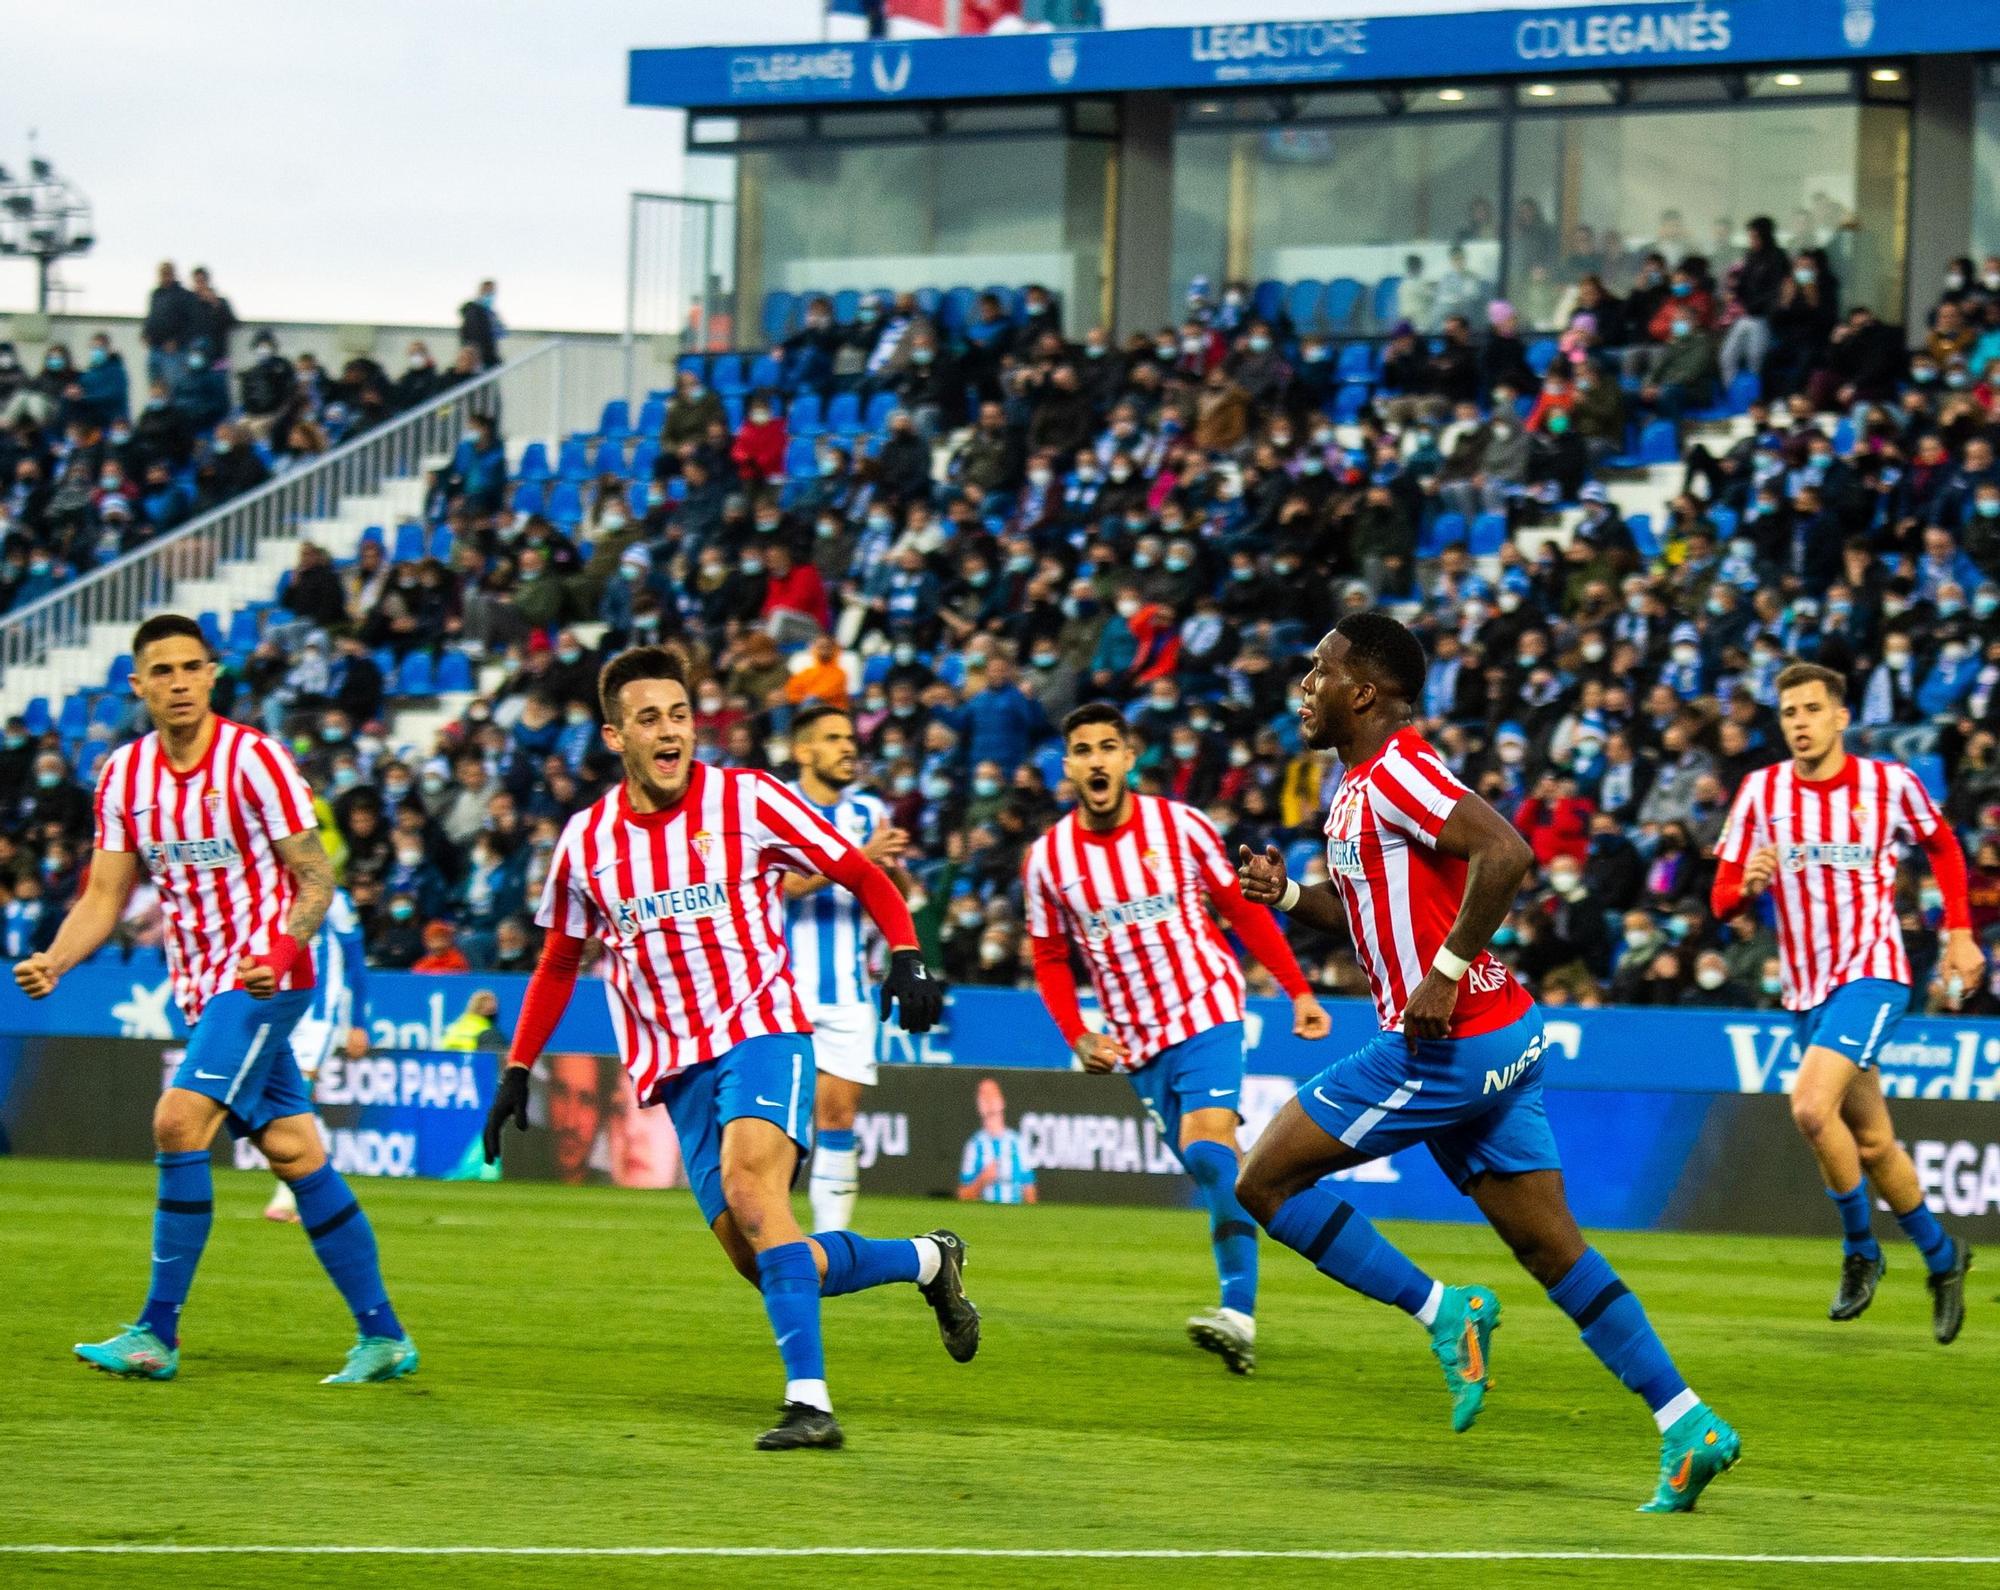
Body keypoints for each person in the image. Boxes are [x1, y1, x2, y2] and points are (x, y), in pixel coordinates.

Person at [1235, 613, 1738, 1512]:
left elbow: (1508, 851)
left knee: (1263, 1184)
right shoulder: (1353, 791)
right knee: (1553, 1251)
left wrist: (1443, 973)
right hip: (1501, 1033)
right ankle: (1687, 1422)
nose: (1304, 684)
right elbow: (1370, 920)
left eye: (1319, 669)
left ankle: (1444, 1311)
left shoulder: (1401, 770)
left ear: (1364, 691)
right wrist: (1290, 897)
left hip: (1448, 1042)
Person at [480, 645, 974, 1451]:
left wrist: (908, 951)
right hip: (676, 1069)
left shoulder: (747, 801)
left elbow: (860, 873)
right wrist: (516, 1066)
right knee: (763, 1256)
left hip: (763, 1027)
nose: (671, 731)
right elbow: (558, 960)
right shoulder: (586, 842)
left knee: (753, 1193)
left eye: (680, 714)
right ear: (616, 738)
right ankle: (927, 1259)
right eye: (649, 719)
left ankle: (809, 1404)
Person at [15, 615, 415, 1385]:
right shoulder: (124, 776)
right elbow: (104, 894)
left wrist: (281, 946)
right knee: (296, 1152)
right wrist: (57, 961)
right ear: (138, 686)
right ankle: (386, 1338)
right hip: (202, 988)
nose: (178, 683)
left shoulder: (256, 761)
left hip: (269, 976)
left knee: (176, 1118)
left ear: (213, 674)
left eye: (191, 667)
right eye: (160, 671)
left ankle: (155, 1333)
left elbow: (316, 877)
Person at [1023, 702, 1331, 1377]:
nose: (1097, 760)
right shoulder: (1048, 860)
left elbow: (1243, 912)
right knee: (1228, 1171)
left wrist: (1298, 991)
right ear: (1068, 766)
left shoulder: (1182, 827)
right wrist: (1077, 1033)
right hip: (1137, 1041)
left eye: (1109, 746)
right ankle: (1355, 1249)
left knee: (1207, 1147)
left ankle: (1239, 1315)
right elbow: (1049, 957)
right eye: (1083, 749)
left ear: (1129, 757)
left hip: (1207, 1009)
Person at [1710, 663, 1976, 1341]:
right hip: (1807, 990)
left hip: (1875, 971)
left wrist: (1960, 935)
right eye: (1787, 712)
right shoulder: (1761, 792)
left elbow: (1943, 844)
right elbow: (1720, 898)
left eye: (1809, 709)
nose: (1797, 722)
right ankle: (1945, 1258)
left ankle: (1861, 1249)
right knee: (1876, 1142)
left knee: (1808, 1106)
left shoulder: (1888, 784)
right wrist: (1745, 886)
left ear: (1840, 717)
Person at [783, 705, 914, 1231]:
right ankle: (769, 1233)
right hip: (779, 990)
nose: (847, 748)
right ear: (803, 751)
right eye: (832, 739)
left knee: (837, 1118)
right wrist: (861, 857)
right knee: (774, 1123)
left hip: (846, 993)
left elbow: (900, 898)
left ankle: (831, 1243)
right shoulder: (779, 806)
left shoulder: (868, 812)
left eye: (849, 739)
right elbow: (785, 885)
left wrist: (888, 869)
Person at [264, 885, 371, 1223]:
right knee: (288, 1102)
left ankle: (290, 1193)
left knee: (299, 1092)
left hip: (318, 1017)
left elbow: (356, 964)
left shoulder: (334, 899)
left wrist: (358, 1023)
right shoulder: (269, 890)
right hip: (278, 1011)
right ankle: (315, 1188)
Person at [959, 1077, 1036, 1205]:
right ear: (978, 1104)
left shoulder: (1017, 1142)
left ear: (1001, 1101)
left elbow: (1029, 1190)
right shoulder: (974, 1145)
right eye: (983, 1095)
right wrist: (982, 1180)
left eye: (992, 1094)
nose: (988, 1100)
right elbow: (963, 1195)